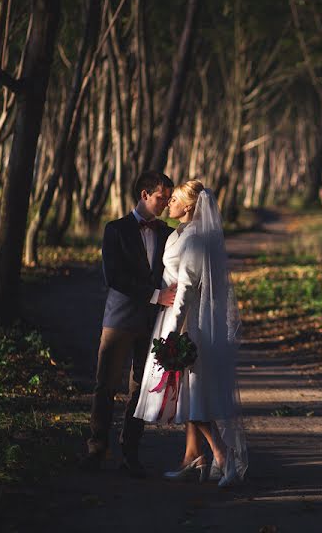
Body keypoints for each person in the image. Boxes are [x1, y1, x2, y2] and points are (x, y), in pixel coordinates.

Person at [135, 180, 247, 487]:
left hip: (187, 323)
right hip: (172, 316)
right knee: (186, 393)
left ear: (189, 206)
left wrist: (172, 334)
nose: (169, 203)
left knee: (191, 394)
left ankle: (223, 456)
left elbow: (186, 288)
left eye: (175, 200)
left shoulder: (196, 239)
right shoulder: (178, 233)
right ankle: (193, 457)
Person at [80, 171, 177, 476]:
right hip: (120, 319)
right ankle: (96, 449)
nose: (165, 203)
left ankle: (130, 453)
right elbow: (114, 277)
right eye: (162, 196)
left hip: (153, 323)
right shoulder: (116, 229)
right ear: (145, 194)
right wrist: (155, 296)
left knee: (141, 388)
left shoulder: (165, 232)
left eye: (168, 197)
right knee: (105, 384)